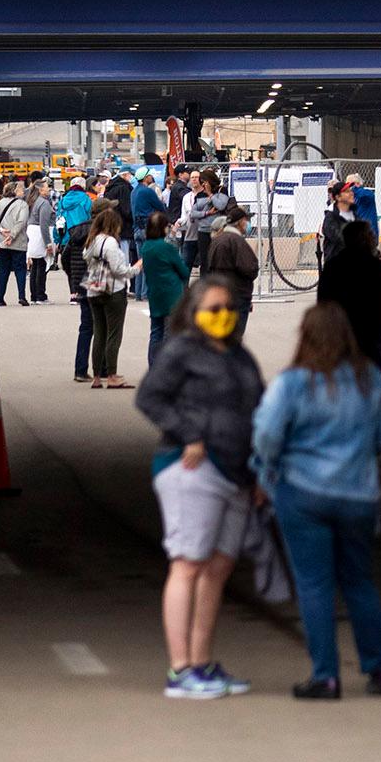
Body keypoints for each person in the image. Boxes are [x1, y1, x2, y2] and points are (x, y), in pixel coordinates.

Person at [251, 302, 381, 700]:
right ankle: (379, 669)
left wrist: (267, 471)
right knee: (359, 581)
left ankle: (327, 675)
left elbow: (266, 433)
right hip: (359, 494)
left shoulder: (294, 382)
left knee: (315, 585)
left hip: (303, 491)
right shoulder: (370, 379)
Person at [135, 275, 263, 700]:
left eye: (228, 308)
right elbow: (150, 398)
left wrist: (260, 470)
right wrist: (189, 434)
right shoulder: (181, 352)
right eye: (213, 308)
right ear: (193, 312)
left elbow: (258, 408)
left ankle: (202, 661)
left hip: (237, 472)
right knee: (188, 564)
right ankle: (180, 668)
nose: (222, 316)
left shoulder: (238, 356)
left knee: (218, 567)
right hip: (192, 469)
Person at [316, 221, 381, 369]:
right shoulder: (377, 268)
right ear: (365, 239)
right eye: (371, 235)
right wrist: (380, 330)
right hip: (370, 337)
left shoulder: (333, 267)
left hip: (340, 337)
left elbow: (322, 303)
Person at [82, 208, 135, 388]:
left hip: (94, 288)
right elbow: (118, 270)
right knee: (114, 334)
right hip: (113, 290)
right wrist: (136, 268)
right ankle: (112, 374)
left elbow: (86, 258)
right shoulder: (111, 242)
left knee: (99, 333)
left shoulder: (92, 241)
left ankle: (97, 376)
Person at [203, 204, 261, 340]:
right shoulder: (236, 241)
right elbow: (250, 268)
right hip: (236, 296)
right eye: (246, 221)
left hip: (223, 293)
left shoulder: (218, 240)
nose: (247, 224)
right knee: (233, 338)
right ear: (240, 222)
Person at [140, 210, 190, 361]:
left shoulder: (146, 247)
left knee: (156, 332)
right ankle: (167, 366)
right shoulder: (167, 248)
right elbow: (183, 271)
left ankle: (153, 364)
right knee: (170, 333)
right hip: (171, 294)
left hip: (155, 293)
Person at [62, 207, 96, 383]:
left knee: (85, 327)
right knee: (102, 328)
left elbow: (65, 258)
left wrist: (73, 278)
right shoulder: (101, 233)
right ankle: (103, 369)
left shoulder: (76, 232)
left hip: (81, 284)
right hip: (98, 284)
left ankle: (80, 369)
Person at [0, 180, 31, 307]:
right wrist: (12, 236)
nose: (23, 191)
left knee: (3, 270)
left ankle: (0, 298)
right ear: (15, 191)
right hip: (18, 243)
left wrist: (1, 229)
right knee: (20, 270)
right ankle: (22, 296)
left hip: (2, 242)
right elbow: (21, 222)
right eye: (21, 189)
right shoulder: (22, 205)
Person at [129, 168, 164, 300]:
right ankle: (145, 294)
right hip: (147, 229)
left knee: (140, 261)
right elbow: (160, 207)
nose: (151, 177)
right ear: (145, 178)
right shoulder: (148, 191)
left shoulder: (133, 192)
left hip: (136, 229)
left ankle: (138, 293)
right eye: (149, 175)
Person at [190, 170, 232, 276]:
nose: (203, 184)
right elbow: (193, 213)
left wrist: (211, 195)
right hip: (203, 231)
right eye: (202, 182)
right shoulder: (200, 195)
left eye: (205, 182)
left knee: (218, 259)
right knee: (205, 260)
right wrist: (207, 212)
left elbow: (221, 205)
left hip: (218, 230)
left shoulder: (221, 191)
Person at [319, 176, 360, 271]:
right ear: (337, 197)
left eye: (350, 190)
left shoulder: (354, 215)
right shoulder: (331, 216)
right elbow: (339, 238)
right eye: (346, 192)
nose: (351, 193)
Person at [25, 179, 54, 304]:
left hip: (32, 233)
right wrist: (48, 242)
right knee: (41, 266)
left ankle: (34, 295)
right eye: (47, 187)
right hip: (39, 235)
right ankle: (40, 295)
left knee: (35, 266)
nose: (49, 189)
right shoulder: (44, 203)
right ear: (41, 190)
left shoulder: (33, 201)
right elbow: (44, 224)